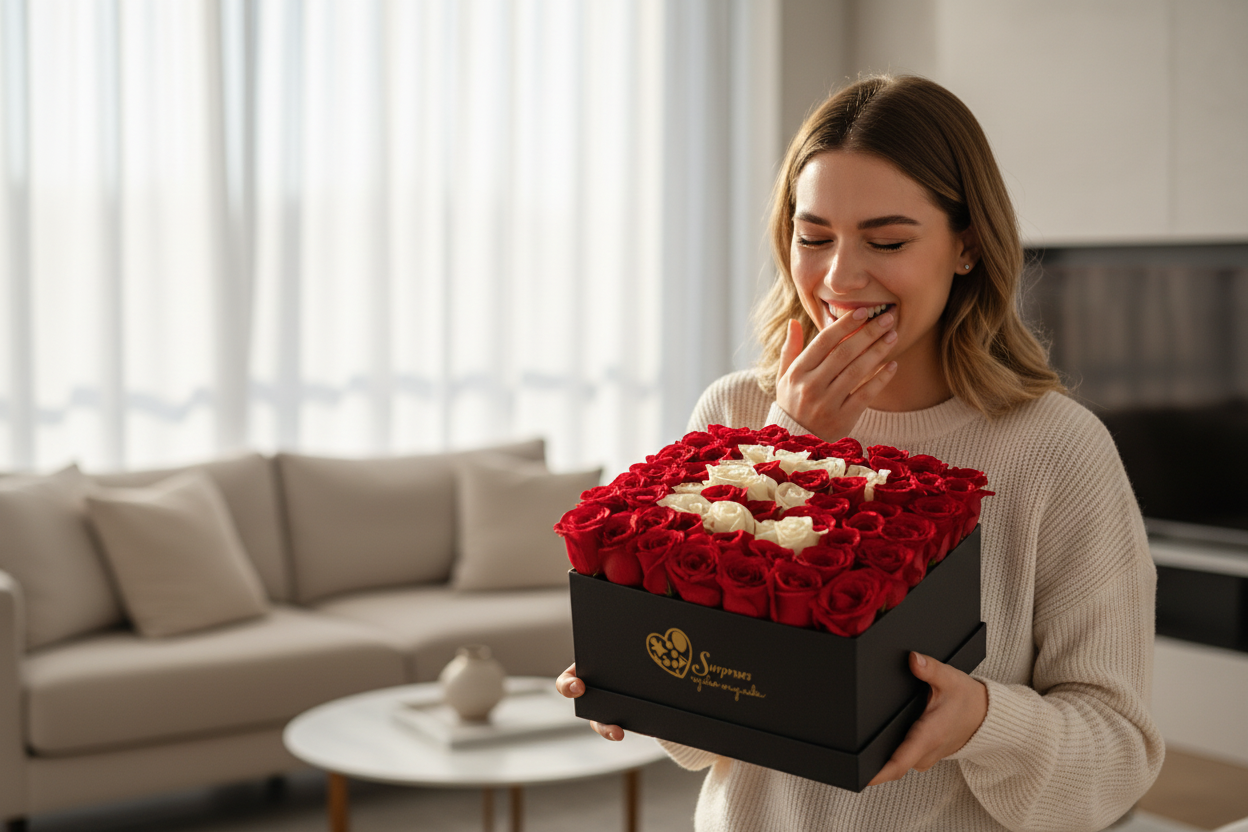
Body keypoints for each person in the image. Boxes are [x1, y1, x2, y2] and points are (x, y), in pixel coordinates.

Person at [556, 74, 1164, 831]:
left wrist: (980, 720)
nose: (839, 278)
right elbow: (700, 740)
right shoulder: (735, 414)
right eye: (813, 238)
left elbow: (1117, 762)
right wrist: (635, 675)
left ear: (967, 245)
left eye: (887, 240)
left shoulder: (1058, 452)